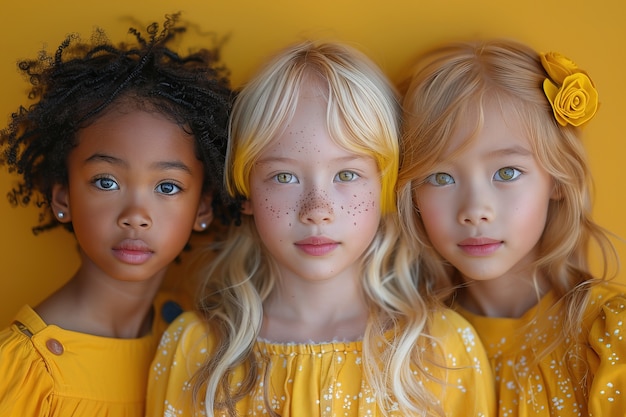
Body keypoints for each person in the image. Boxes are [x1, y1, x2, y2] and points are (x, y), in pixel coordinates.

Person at [147, 40, 495, 417]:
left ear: (386, 186)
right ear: (245, 191)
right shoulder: (196, 349)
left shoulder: (442, 350)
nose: (317, 210)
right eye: (283, 176)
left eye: (347, 174)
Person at [0, 14, 232, 417]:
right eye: (106, 182)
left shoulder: (195, 341)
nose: (136, 216)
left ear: (203, 208)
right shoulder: (25, 371)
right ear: (63, 196)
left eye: (167, 187)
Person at [396, 38, 626, 416]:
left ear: (556, 180)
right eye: (439, 177)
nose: (474, 210)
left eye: (507, 172)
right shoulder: (405, 351)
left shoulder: (607, 338)